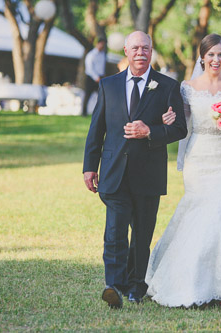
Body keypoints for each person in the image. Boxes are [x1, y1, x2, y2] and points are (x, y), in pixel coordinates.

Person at [145, 33, 221, 308]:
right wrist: (166, 119)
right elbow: (181, 125)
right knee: (201, 211)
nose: (216, 60)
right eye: (211, 55)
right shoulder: (188, 87)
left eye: (220, 54)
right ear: (202, 57)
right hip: (199, 157)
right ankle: (194, 280)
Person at [82, 31, 187, 309]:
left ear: (151, 52)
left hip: (149, 173)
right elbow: (97, 129)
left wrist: (150, 131)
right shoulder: (109, 85)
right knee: (114, 233)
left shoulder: (167, 86)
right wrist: (89, 167)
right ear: (126, 52)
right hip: (113, 171)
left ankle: (136, 286)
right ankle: (113, 286)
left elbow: (179, 129)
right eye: (135, 48)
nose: (140, 53)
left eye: (146, 48)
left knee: (141, 236)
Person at [82, 38, 107, 116]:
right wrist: (96, 77)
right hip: (91, 77)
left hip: (101, 77)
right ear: (97, 44)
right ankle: (84, 112)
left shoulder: (103, 54)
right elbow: (89, 68)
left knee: (102, 95)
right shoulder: (91, 54)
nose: (102, 46)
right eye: (101, 44)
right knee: (87, 95)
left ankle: (101, 112)